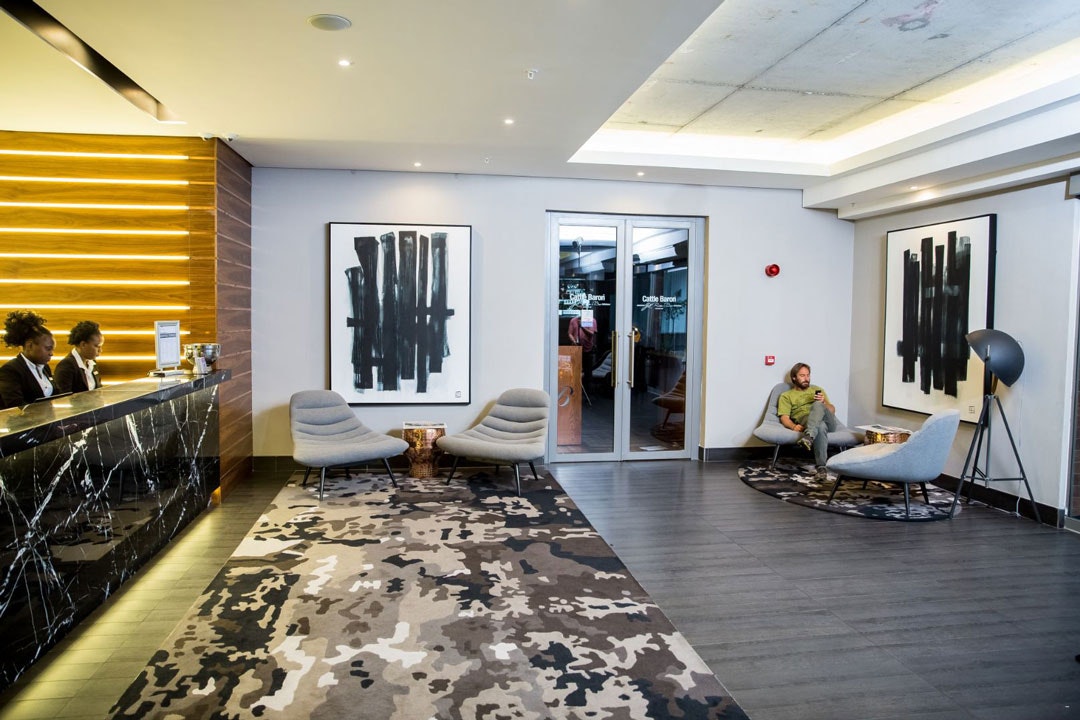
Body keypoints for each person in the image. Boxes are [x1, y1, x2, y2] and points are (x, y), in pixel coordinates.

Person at [778, 362, 839, 476]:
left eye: (808, 375)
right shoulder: (786, 395)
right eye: (802, 375)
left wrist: (823, 402)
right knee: (820, 426)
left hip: (829, 423)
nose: (806, 378)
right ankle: (821, 467)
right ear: (794, 378)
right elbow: (784, 417)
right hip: (806, 420)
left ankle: (809, 436)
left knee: (817, 404)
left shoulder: (817, 389)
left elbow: (832, 410)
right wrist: (793, 426)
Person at [0, 310, 56, 409]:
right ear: (30, 345)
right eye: (48, 349)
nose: (51, 353)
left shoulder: (45, 367)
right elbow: (15, 405)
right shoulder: (10, 370)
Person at [54, 320, 103, 394]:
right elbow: (64, 396)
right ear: (83, 344)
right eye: (97, 346)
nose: (100, 350)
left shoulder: (92, 363)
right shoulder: (66, 365)